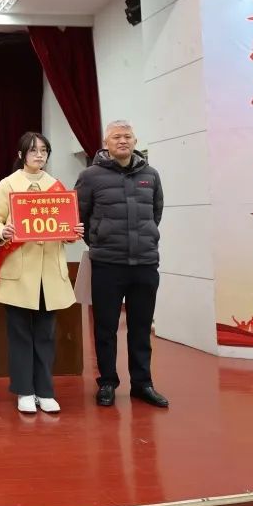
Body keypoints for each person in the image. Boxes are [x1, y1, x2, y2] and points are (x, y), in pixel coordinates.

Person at [0, 131, 83, 414]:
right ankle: (24, 390)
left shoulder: (56, 187)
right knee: (19, 335)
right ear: (21, 155)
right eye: (33, 150)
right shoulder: (8, 185)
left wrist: (73, 232)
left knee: (46, 334)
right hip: (19, 271)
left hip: (49, 273)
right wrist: (2, 231)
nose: (39, 155)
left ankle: (45, 390)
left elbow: (66, 224)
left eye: (43, 150)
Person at [75, 120, 168, 408]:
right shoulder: (90, 176)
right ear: (106, 143)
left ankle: (142, 383)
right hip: (107, 264)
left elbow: (155, 213)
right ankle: (107, 382)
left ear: (135, 141)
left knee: (141, 327)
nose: (123, 141)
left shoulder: (150, 175)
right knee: (105, 328)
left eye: (127, 136)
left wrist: (143, 240)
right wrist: (100, 241)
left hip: (145, 263)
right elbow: (80, 215)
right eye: (116, 136)